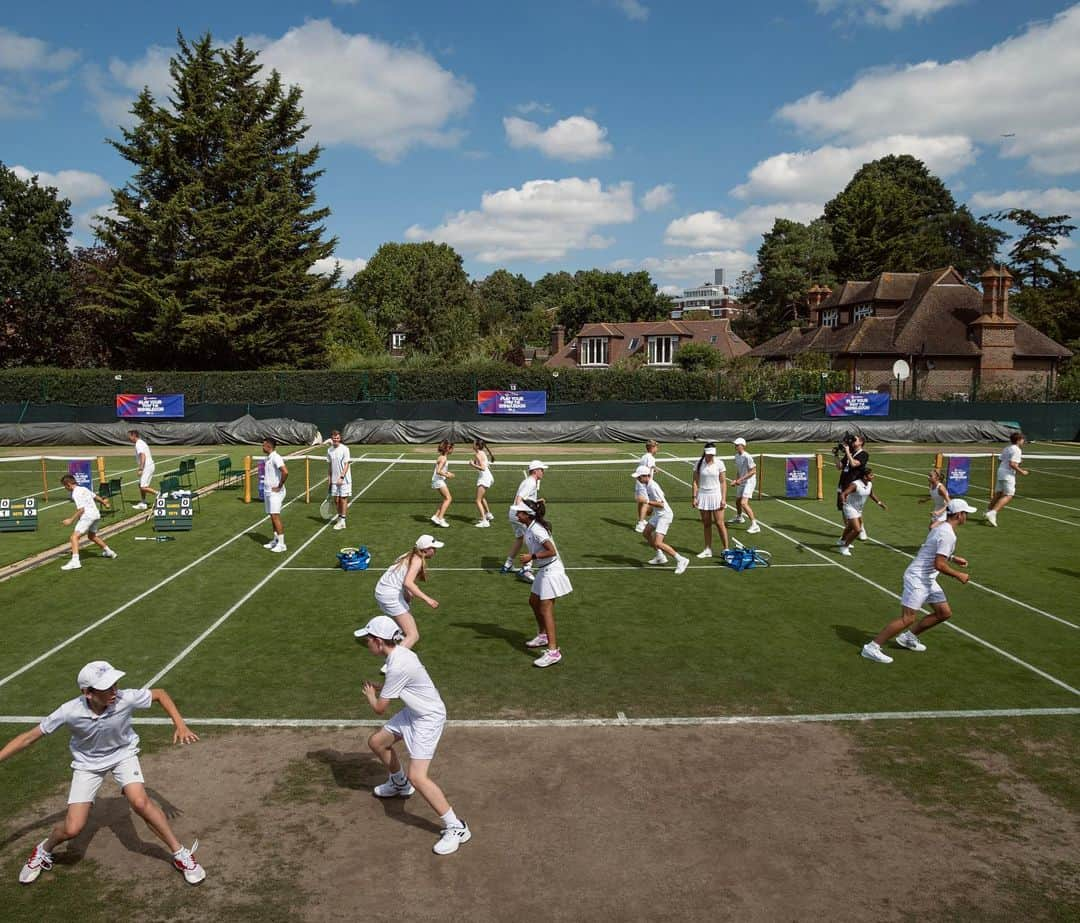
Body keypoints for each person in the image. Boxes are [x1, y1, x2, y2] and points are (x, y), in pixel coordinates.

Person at [0, 660, 205, 886]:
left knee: (139, 802)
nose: (114, 691)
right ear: (87, 693)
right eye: (107, 687)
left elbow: (160, 694)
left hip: (123, 754)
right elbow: (29, 737)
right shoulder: (69, 711)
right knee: (72, 828)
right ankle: (43, 849)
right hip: (87, 764)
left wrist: (180, 724)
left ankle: (180, 854)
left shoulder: (124, 698)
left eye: (115, 684)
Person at [355, 616, 471, 855]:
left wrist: (370, 694)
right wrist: (381, 686)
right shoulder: (399, 655)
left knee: (418, 777)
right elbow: (399, 685)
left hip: (427, 719)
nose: (366, 642)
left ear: (378, 641)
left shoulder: (398, 664)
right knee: (377, 742)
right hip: (414, 712)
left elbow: (379, 709)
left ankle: (457, 827)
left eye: (368, 639)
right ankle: (399, 784)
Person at [861, 499, 977, 664]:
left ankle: (908, 638)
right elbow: (939, 564)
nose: (967, 516)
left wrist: (952, 557)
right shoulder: (947, 534)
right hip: (918, 579)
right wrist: (958, 575)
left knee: (944, 613)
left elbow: (930, 549)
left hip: (928, 579)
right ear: (959, 515)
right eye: (966, 513)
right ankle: (872, 648)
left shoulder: (941, 527)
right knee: (908, 618)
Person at [511, 499, 573, 668]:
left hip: (551, 571)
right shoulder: (530, 527)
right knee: (533, 601)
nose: (517, 514)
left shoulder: (537, 530)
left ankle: (553, 652)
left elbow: (551, 551)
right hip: (544, 570)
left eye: (520, 513)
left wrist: (532, 557)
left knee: (546, 609)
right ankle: (543, 635)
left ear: (528, 515)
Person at [374, 534, 444, 649]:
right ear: (425, 550)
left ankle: (397, 635)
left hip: (381, 590)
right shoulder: (417, 561)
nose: (435, 551)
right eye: (433, 548)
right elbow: (408, 583)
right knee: (413, 635)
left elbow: (402, 579)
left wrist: (407, 593)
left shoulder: (408, 555)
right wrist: (428, 599)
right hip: (389, 595)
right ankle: (392, 663)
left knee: (407, 604)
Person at [635, 466, 689, 575]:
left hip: (665, 515)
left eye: (639, 477)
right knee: (646, 533)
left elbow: (661, 504)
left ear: (645, 476)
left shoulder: (653, 486)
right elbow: (658, 499)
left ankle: (681, 560)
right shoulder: (647, 485)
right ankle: (660, 556)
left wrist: (646, 501)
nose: (638, 479)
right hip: (658, 514)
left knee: (658, 542)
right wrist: (650, 509)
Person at [501, 459, 547, 583]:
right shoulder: (531, 483)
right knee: (533, 539)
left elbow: (524, 500)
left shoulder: (530, 481)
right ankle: (526, 569)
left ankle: (508, 564)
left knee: (520, 539)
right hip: (520, 515)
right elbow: (519, 500)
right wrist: (529, 514)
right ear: (535, 471)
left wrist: (536, 502)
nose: (543, 472)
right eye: (541, 470)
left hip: (514, 514)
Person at [59, 474, 117, 571]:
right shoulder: (84, 489)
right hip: (96, 515)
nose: (65, 488)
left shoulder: (75, 493)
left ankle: (75, 561)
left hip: (88, 516)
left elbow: (81, 510)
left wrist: (71, 520)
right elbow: (95, 496)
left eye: (65, 486)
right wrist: (104, 502)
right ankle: (109, 552)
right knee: (92, 536)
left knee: (74, 537)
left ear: (68, 484)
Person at [691, 443, 729, 558]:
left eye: (712, 454)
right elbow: (695, 482)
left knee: (719, 523)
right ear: (705, 452)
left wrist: (723, 498)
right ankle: (708, 549)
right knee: (706, 524)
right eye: (709, 454)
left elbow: (723, 482)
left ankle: (726, 549)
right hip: (703, 495)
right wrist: (694, 497)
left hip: (716, 496)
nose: (710, 456)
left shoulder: (719, 463)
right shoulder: (698, 464)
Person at [838, 468, 886, 556]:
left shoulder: (869, 484)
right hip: (849, 507)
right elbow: (843, 493)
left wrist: (879, 503)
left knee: (850, 527)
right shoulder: (855, 484)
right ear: (865, 477)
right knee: (857, 530)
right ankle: (844, 547)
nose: (873, 476)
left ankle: (842, 540)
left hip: (858, 509)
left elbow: (871, 494)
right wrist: (843, 500)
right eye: (871, 475)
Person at [986, 432, 1029, 527]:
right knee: (1009, 495)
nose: (1023, 441)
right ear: (1018, 440)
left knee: (999, 493)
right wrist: (1022, 471)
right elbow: (1012, 464)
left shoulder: (1007, 448)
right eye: (1022, 439)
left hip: (1001, 471)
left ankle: (988, 510)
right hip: (1008, 474)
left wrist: (1017, 461)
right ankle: (993, 512)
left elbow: (1000, 460)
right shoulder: (1017, 450)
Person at [835, 434, 869, 540]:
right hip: (843, 483)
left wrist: (848, 452)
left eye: (855, 440)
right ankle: (848, 529)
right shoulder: (850, 453)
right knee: (844, 509)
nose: (853, 442)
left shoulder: (863, 454)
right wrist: (836, 455)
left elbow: (854, 464)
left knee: (854, 509)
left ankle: (861, 529)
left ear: (861, 442)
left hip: (853, 485)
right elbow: (839, 467)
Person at [261, 437, 289, 553]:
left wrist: (280, 485)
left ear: (269, 446)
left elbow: (285, 471)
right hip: (268, 492)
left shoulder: (276, 458)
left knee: (275, 516)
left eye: (263, 445)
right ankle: (275, 540)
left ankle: (282, 544)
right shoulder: (267, 457)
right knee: (272, 517)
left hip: (275, 493)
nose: (262, 447)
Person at [729, 438, 760, 534]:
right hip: (742, 481)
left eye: (737, 445)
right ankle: (739, 517)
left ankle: (755, 525)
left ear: (743, 446)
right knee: (737, 501)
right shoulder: (736, 456)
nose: (736, 446)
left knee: (743, 503)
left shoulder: (747, 457)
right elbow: (739, 470)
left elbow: (753, 471)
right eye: (735, 445)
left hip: (749, 482)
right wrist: (736, 480)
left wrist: (740, 480)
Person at [327, 430, 352, 531]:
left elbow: (347, 464)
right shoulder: (329, 450)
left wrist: (341, 477)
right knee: (336, 500)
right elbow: (329, 466)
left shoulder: (345, 449)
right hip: (334, 480)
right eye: (334, 438)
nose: (335, 440)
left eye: (337, 438)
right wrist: (329, 479)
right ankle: (340, 517)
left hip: (344, 479)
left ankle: (343, 520)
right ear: (332, 439)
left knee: (343, 499)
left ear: (340, 438)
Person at [469, 438, 496, 527]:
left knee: (477, 500)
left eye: (473, 444)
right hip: (487, 477)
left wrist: (473, 464)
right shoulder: (482, 453)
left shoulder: (478, 454)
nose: (472, 445)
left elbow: (483, 468)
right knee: (482, 497)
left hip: (484, 478)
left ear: (477, 446)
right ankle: (488, 514)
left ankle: (484, 521)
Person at [128, 429, 157, 510]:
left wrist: (141, 468)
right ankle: (143, 502)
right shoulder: (140, 443)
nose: (129, 438)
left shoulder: (138, 444)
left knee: (143, 487)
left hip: (146, 467)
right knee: (140, 485)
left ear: (134, 435)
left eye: (130, 436)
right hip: (149, 466)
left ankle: (159, 494)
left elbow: (142, 456)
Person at [634, 440, 659, 532]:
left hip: (639, 482)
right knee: (645, 502)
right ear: (652, 448)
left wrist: (655, 468)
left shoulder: (644, 456)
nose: (657, 449)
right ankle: (640, 524)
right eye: (656, 447)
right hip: (644, 483)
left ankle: (641, 520)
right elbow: (650, 467)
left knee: (641, 502)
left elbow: (649, 467)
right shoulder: (651, 458)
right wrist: (655, 469)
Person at [430, 440, 454, 528]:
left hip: (438, 480)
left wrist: (448, 473)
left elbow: (441, 470)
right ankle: (440, 518)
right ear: (448, 449)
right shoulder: (443, 458)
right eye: (452, 448)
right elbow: (438, 471)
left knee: (445, 498)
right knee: (448, 498)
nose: (453, 450)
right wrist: (447, 476)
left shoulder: (442, 457)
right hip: (438, 481)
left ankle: (436, 516)